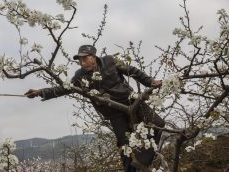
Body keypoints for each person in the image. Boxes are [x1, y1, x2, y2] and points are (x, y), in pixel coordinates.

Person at [25, 45, 165, 171]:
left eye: (84, 59)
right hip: (113, 112)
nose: (82, 63)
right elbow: (65, 88)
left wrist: (150, 81)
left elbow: (132, 71)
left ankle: (143, 160)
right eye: (79, 60)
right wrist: (40, 92)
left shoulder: (110, 61)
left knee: (158, 124)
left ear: (94, 57)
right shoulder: (81, 75)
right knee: (124, 145)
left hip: (131, 101)